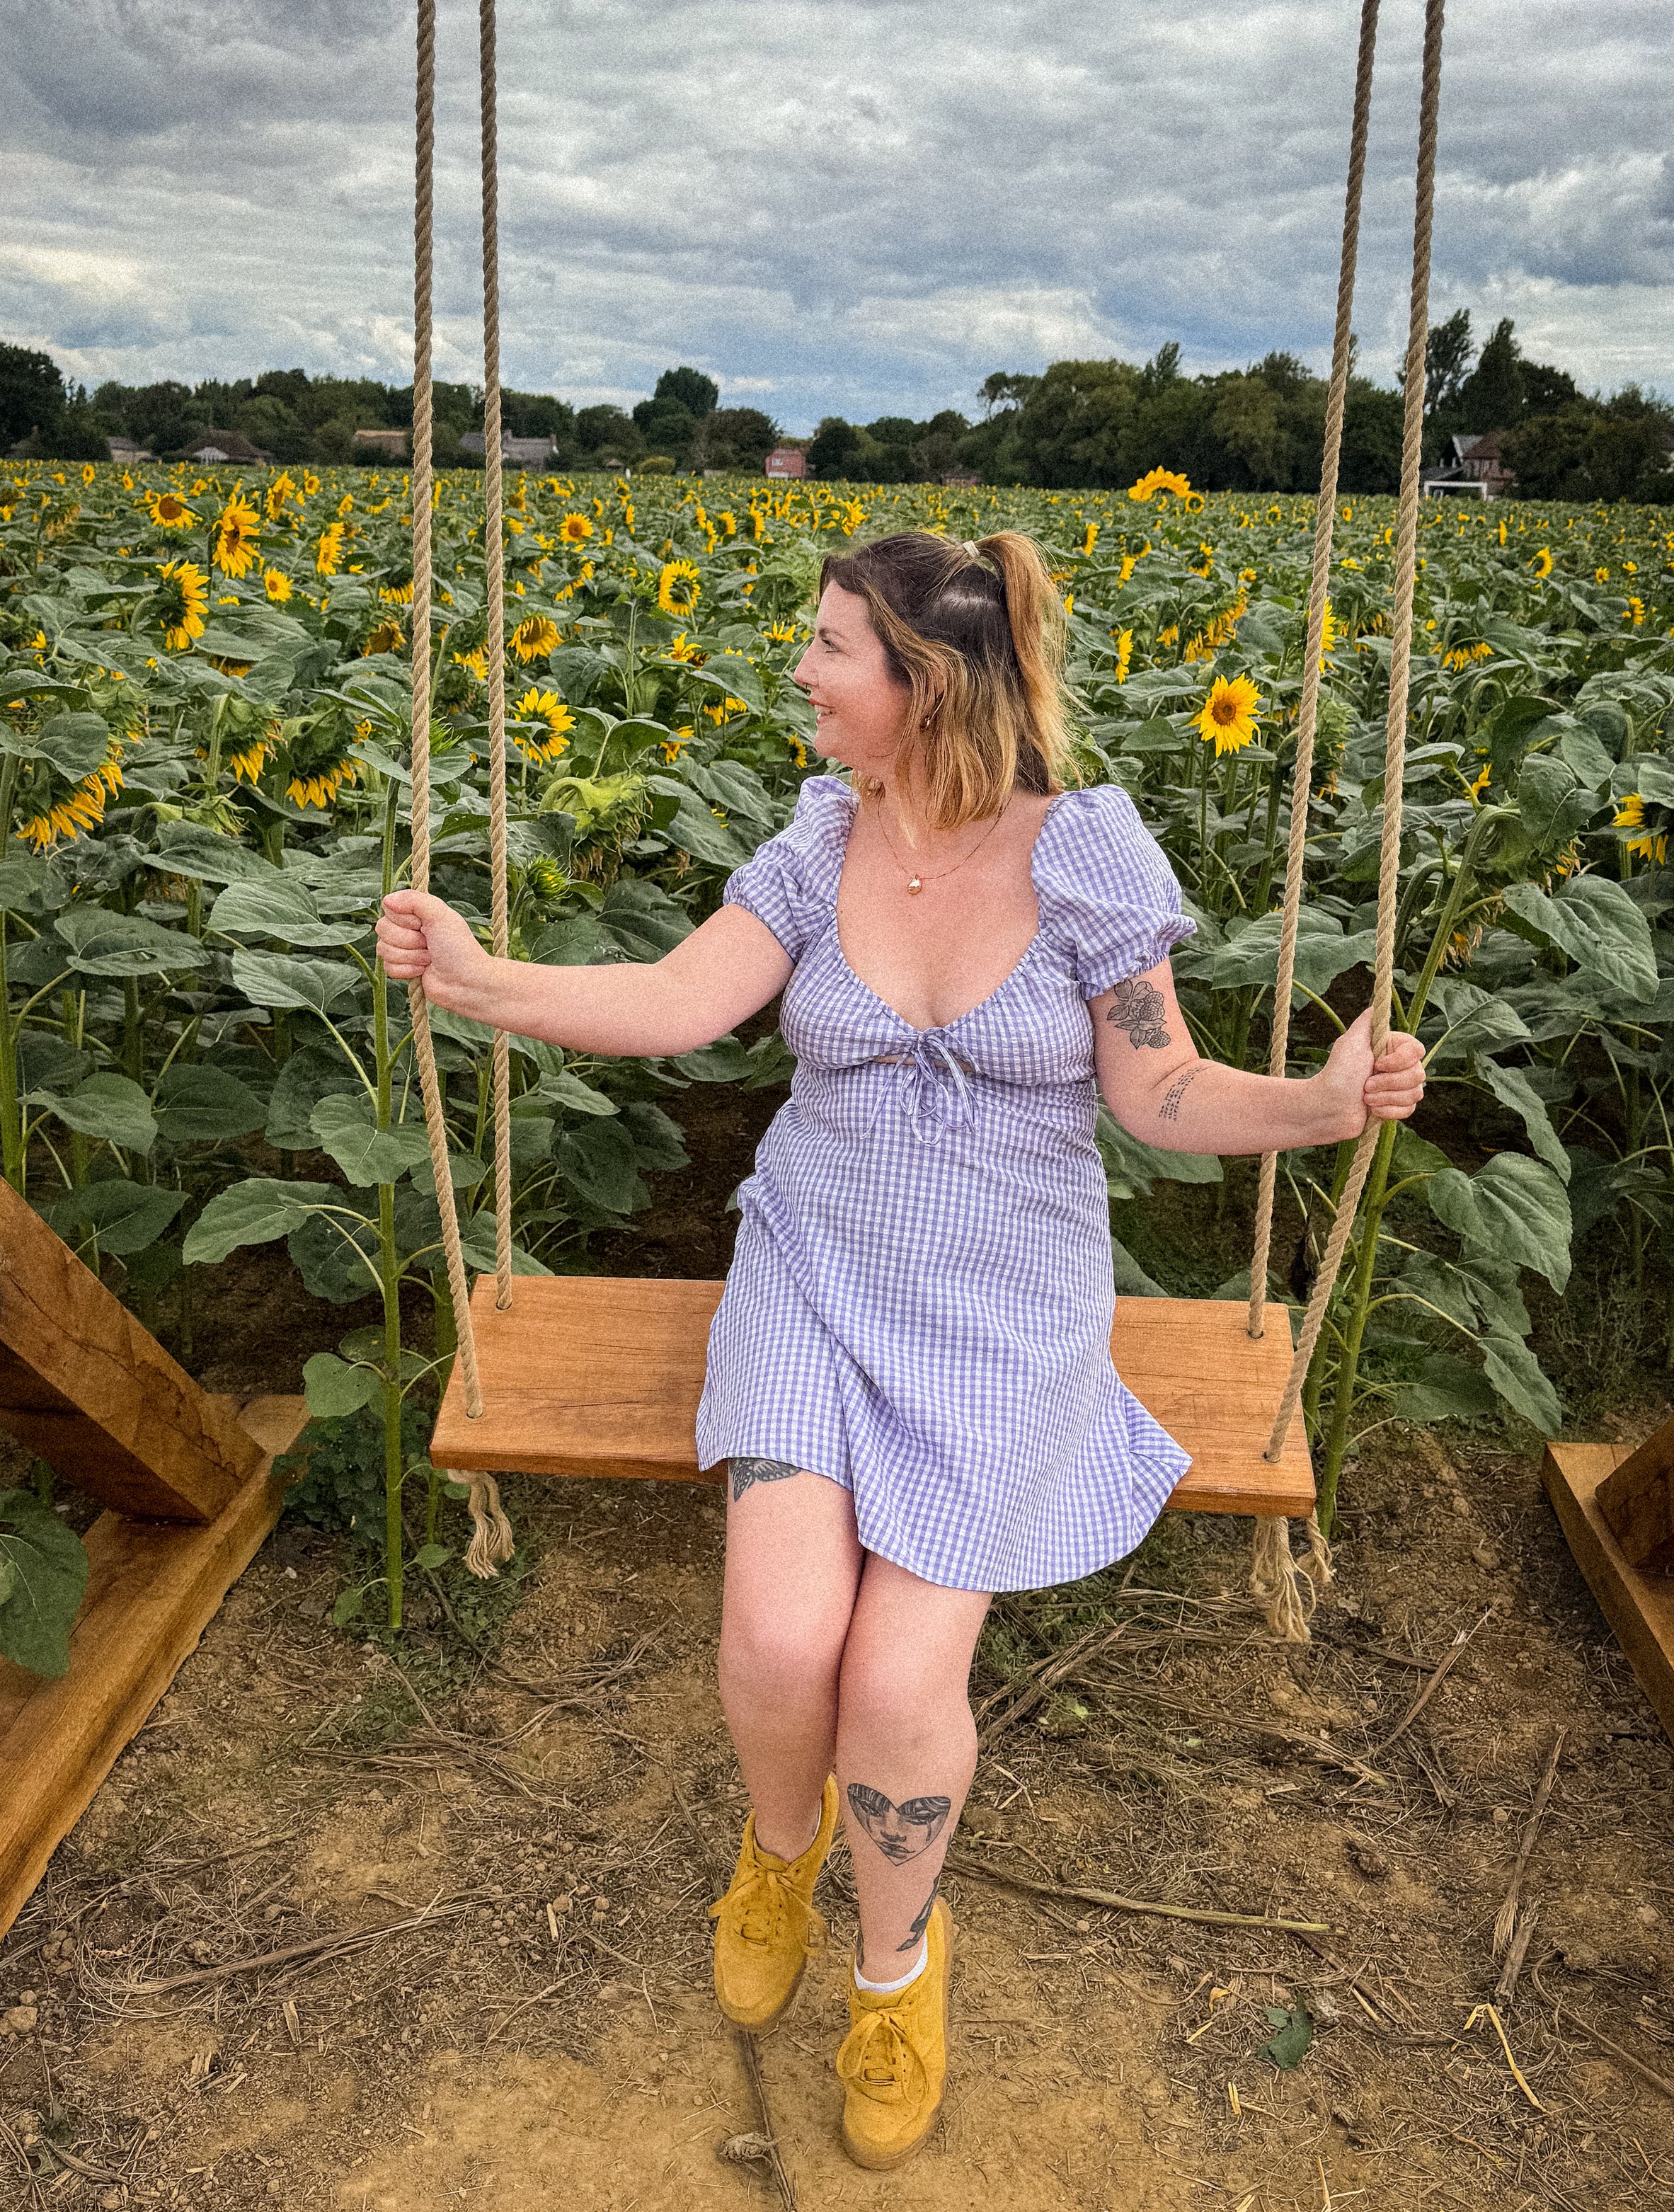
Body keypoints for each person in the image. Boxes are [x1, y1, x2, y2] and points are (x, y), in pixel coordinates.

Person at [377, 529, 1426, 2170]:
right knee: (781, 1636)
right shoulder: (818, 841)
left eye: (826, 649)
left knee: (894, 1678)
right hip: (810, 1271)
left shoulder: (1083, 859)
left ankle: (893, 1968)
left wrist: (1315, 1102)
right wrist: (476, 977)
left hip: (1006, 1310)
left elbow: (1158, 1093)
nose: (799, 671)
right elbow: (675, 1002)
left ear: (919, 683)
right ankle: (776, 1852)